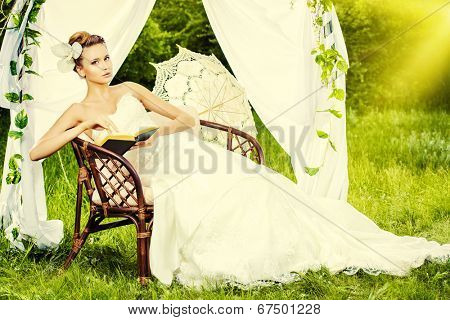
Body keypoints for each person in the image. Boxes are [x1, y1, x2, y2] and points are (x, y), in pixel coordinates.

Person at [29, 31, 450, 289]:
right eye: (95, 62)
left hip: (173, 149)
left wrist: (157, 130)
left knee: (252, 182)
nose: (105, 66)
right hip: (140, 173)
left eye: (106, 58)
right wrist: (80, 130)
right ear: (80, 70)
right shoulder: (78, 111)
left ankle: (302, 240)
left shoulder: (131, 90)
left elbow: (189, 118)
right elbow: (37, 151)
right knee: (221, 188)